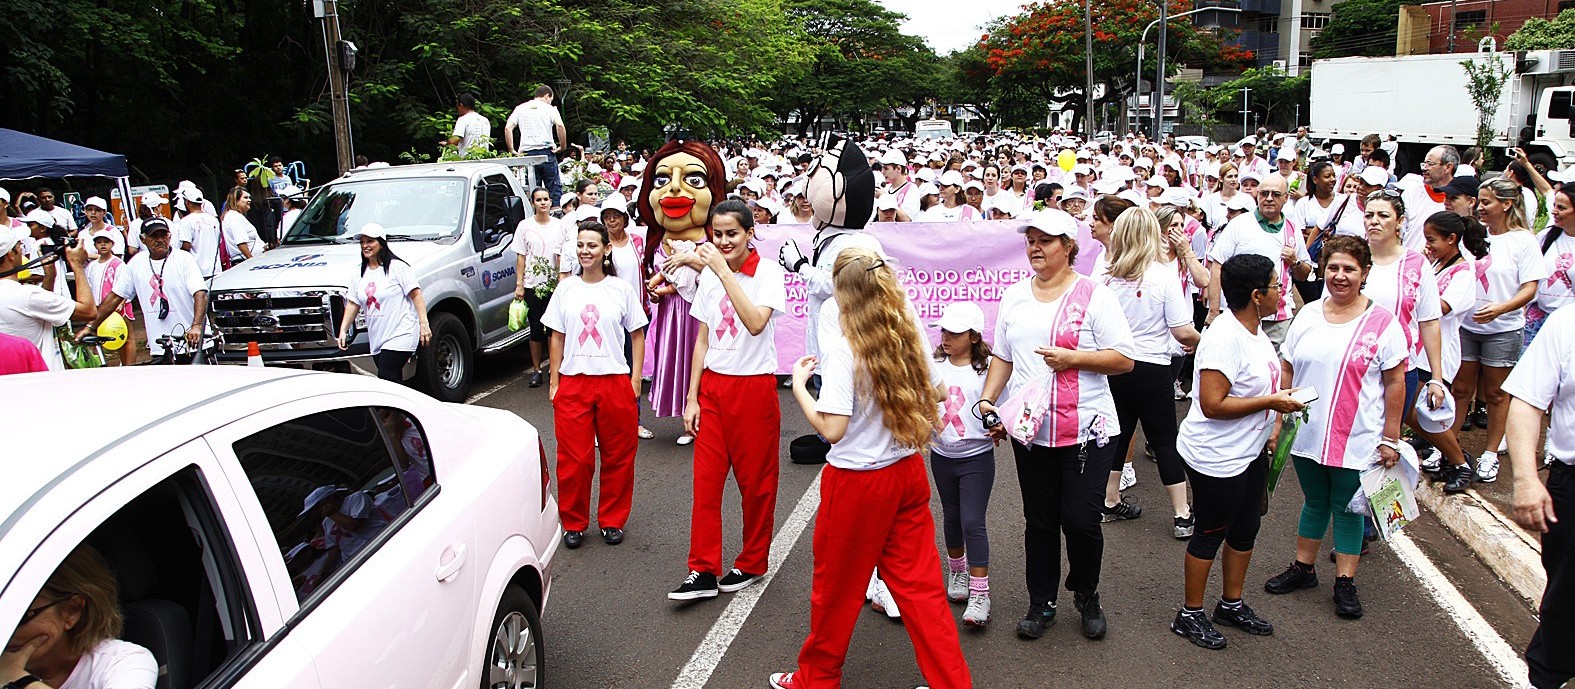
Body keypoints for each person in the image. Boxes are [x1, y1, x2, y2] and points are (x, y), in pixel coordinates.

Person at [770, 247, 972, 689]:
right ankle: (952, 684)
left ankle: (817, 677)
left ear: (843, 292)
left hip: (858, 482)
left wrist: (802, 388)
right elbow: (937, 394)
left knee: (835, 590)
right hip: (906, 473)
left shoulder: (844, 348)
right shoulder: (909, 328)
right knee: (923, 591)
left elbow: (834, 429)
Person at [977, 209, 1136, 642]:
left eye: (1045, 240)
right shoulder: (1014, 296)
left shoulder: (1094, 295)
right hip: (1033, 431)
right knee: (1040, 521)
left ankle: (1086, 593)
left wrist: (1075, 359)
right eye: (1031, 240)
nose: (1035, 248)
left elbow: (1123, 358)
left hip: (1087, 429)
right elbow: (1004, 357)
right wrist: (989, 400)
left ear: (1068, 246)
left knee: (1081, 520)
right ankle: (1040, 601)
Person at [1264, 235, 1407, 620]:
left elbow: (1396, 382)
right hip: (1307, 433)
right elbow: (1288, 369)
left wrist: (1391, 438)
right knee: (1313, 501)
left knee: (1347, 508)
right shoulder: (1308, 314)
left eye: (1349, 269)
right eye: (1333, 268)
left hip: (1357, 436)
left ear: (1364, 274)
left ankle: (1345, 581)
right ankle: (1303, 568)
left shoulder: (1383, 323)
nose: (1340, 276)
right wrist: (1279, 422)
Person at [1171, 254, 1305, 650]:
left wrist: (1273, 416)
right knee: (1210, 532)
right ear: (1257, 294)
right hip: (1216, 456)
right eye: (1276, 285)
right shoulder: (1225, 337)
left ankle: (1231, 603)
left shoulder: (1255, 330)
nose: (1282, 291)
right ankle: (1189, 613)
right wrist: (1272, 403)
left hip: (1247, 454)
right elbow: (1212, 404)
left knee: (1246, 529)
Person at [670, 200, 787, 601]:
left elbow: (755, 323)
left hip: (753, 389)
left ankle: (753, 561)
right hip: (714, 391)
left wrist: (721, 272)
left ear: (750, 233)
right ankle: (702, 569)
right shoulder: (710, 278)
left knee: (756, 485)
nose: (723, 242)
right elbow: (702, 339)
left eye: (731, 234)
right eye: (716, 234)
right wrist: (692, 397)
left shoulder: (767, 273)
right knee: (705, 484)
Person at [544, 221, 648, 549]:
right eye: (581, 245)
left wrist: (634, 379)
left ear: (606, 250)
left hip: (614, 381)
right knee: (575, 459)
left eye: (592, 245)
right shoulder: (566, 289)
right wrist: (554, 380)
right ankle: (573, 522)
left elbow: (637, 335)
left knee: (619, 455)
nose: (585, 251)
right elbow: (556, 337)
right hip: (574, 382)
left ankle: (612, 519)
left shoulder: (621, 289)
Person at [1097, 207, 1200, 535]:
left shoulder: (1105, 278)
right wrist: (1208, 344)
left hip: (1114, 368)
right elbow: (1183, 332)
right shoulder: (1161, 277)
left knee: (1119, 434)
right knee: (1165, 440)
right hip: (1153, 368)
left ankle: (1109, 501)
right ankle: (1182, 513)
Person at [1504, 304, 1574, 689]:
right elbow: (1527, 401)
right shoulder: (1567, 322)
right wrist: (1527, 479)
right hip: (1572, 486)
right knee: (1567, 605)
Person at [1459, 178, 1547, 482]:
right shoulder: (1473, 234)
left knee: (1496, 394)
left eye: (1486, 202)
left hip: (1504, 329)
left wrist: (1502, 308)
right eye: (1478, 202)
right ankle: (1450, 449)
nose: (1479, 207)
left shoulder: (1524, 240)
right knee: (1460, 390)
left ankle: (1490, 453)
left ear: (1506, 204)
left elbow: (1531, 288)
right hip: (1466, 326)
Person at [0, 545, 157, 689]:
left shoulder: (122, 662)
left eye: (19, 617)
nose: (5, 630)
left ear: (72, 610)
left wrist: (18, 680)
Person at [926, 301, 995, 627]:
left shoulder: (987, 369)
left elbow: (1000, 408)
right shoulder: (935, 364)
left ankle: (980, 592)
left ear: (973, 336)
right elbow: (925, 400)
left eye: (955, 333)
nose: (946, 338)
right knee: (951, 515)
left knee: (972, 520)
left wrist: (999, 424)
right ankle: (957, 574)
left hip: (976, 458)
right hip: (942, 457)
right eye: (944, 331)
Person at [78, 218, 208, 362]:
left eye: (163, 235)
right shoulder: (136, 263)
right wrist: (91, 326)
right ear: (143, 239)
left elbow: (200, 293)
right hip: (161, 346)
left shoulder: (184, 259)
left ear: (170, 236)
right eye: (154, 236)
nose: (160, 240)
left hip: (192, 344)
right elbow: (115, 296)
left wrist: (196, 326)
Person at [1421, 211, 1487, 493]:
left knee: (1427, 414)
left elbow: (1441, 308)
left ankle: (1460, 463)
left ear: (1452, 239)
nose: (1428, 245)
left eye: (1432, 240)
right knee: (1420, 414)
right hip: (1420, 350)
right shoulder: (1437, 265)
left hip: (1440, 352)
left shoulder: (1464, 272)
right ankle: (1450, 458)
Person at [1206, 174, 1311, 348]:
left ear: (1286, 198)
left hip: (1277, 319)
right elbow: (1217, 266)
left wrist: (1295, 261)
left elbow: (1304, 274)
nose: (1269, 199)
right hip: (1239, 314)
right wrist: (1214, 311)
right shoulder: (1238, 224)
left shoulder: (1292, 229)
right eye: (1264, 194)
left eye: (1276, 194)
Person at [334, 223, 432, 382]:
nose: (365, 246)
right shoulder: (359, 273)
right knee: (391, 379)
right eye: (362, 242)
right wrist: (343, 330)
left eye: (370, 241)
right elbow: (353, 303)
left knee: (387, 375)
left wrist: (423, 324)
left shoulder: (397, 267)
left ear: (381, 243)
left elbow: (416, 295)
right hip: (378, 336)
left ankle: (392, 408)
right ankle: (405, 405)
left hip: (402, 331)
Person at [0, 226, 95, 370]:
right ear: (10, 255)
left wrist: (50, 276)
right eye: (19, 245)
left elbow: (34, 309)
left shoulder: (25, 296)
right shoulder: (27, 295)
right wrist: (77, 265)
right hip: (41, 378)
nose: (22, 249)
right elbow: (88, 311)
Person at [513, 187, 562, 388]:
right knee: (535, 330)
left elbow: (563, 255)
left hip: (554, 284)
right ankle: (536, 370)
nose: (543, 203)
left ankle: (554, 368)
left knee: (553, 330)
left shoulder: (560, 226)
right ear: (532, 203)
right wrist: (520, 284)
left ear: (551, 202)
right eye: (539, 200)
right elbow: (521, 257)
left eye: (546, 199)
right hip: (533, 284)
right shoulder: (525, 226)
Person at [504, 85, 568, 207]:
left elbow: (508, 128)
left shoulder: (520, 108)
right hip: (547, 152)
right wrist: (562, 146)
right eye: (551, 99)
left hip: (528, 154)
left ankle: (536, 216)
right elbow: (560, 126)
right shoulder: (550, 109)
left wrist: (512, 149)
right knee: (553, 188)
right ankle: (556, 215)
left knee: (534, 191)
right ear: (547, 96)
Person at [1527, 185, 1575, 345]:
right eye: (1554, 205)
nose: (1554, 211)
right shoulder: (1545, 237)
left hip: (1569, 324)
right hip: (1538, 319)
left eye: (1561, 208)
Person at [84, 229, 136, 366]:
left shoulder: (118, 264)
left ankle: (129, 367)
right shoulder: (91, 266)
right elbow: (89, 287)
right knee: (110, 337)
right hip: (101, 307)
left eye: (106, 242)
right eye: (99, 242)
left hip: (120, 306)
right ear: (94, 245)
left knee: (127, 337)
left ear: (112, 244)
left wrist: (121, 302)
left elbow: (126, 286)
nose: (102, 245)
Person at [175, 186, 223, 279]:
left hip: (197, 271)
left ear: (187, 202)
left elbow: (186, 246)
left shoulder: (186, 221)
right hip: (216, 269)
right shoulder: (213, 220)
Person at [220, 187, 258, 263]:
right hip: (245, 262)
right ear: (236, 201)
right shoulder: (234, 217)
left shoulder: (235, 216)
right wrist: (251, 260)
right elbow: (241, 242)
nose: (249, 200)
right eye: (245, 197)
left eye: (249, 197)